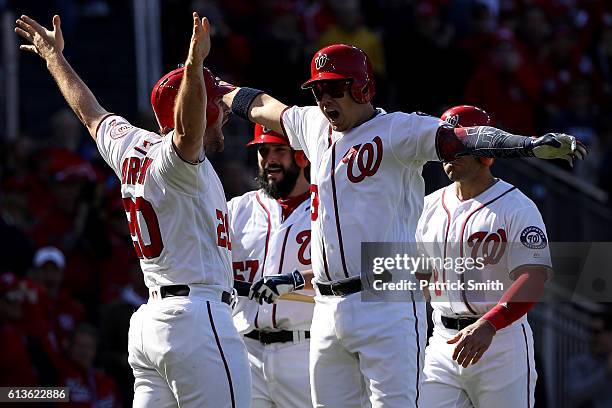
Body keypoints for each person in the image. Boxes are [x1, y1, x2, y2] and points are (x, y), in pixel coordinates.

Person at [219, 43, 586, 407]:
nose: (324, 98)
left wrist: (527, 145)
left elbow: (460, 138)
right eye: (317, 89)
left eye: (334, 87)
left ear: (362, 88)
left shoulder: (398, 130)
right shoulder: (313, 124)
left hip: (385, 300)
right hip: (328, 308)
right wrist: (215, 86)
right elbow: (263, 106)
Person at [15, 12, 250, 407]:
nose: (226, 110)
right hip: (197, 320)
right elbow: (189, 129)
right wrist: (194, 66)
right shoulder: (179, 163)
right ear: (199, 107)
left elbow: (89, 114)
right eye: (218, 101)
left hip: (152, 325)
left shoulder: (132, 147)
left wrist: (53, 57)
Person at [416, 105, 551, 407]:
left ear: (486, 151)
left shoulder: (517, 206)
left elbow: (534, 276)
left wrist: (490, 324)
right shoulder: (427, 206)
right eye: (445, 145)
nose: (450, 154)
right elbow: (420, 276)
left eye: (460, 146)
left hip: (500, 343)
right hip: (442, 343)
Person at [229, 124, 315, 407]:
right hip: (246, 352)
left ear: (301, 155)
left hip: (305, 350)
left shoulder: (329, 209)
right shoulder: (237, 210)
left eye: (280, 149)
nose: (270, 159)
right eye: (263, 151)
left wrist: (296, 279)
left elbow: (359, 274)